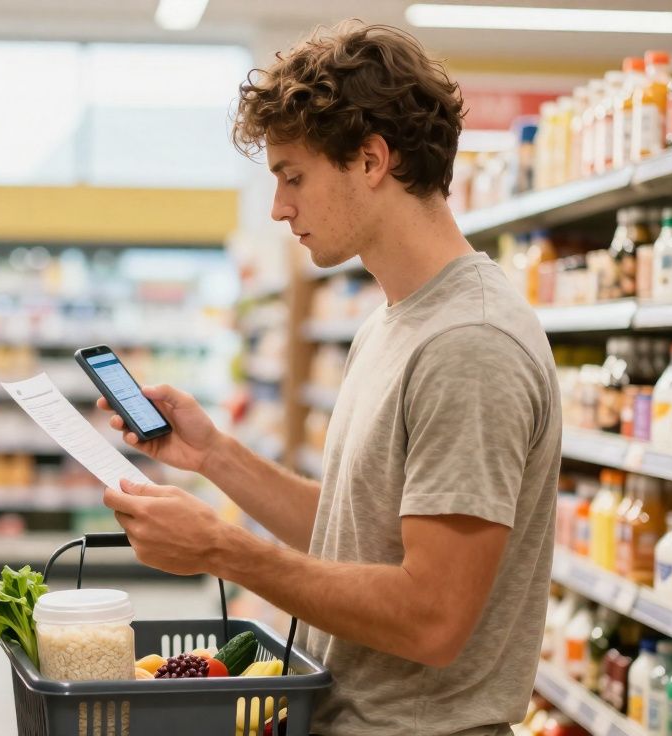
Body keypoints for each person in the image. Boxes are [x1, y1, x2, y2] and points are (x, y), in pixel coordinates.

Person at [98, 21, 561, 736]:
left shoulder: (470, 343)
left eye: (293, 177)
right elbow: (355, 535)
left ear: (371, 160)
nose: (281, 208)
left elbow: (432, 618)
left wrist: (224, 550)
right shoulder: (391, 323)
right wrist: (214, 455)